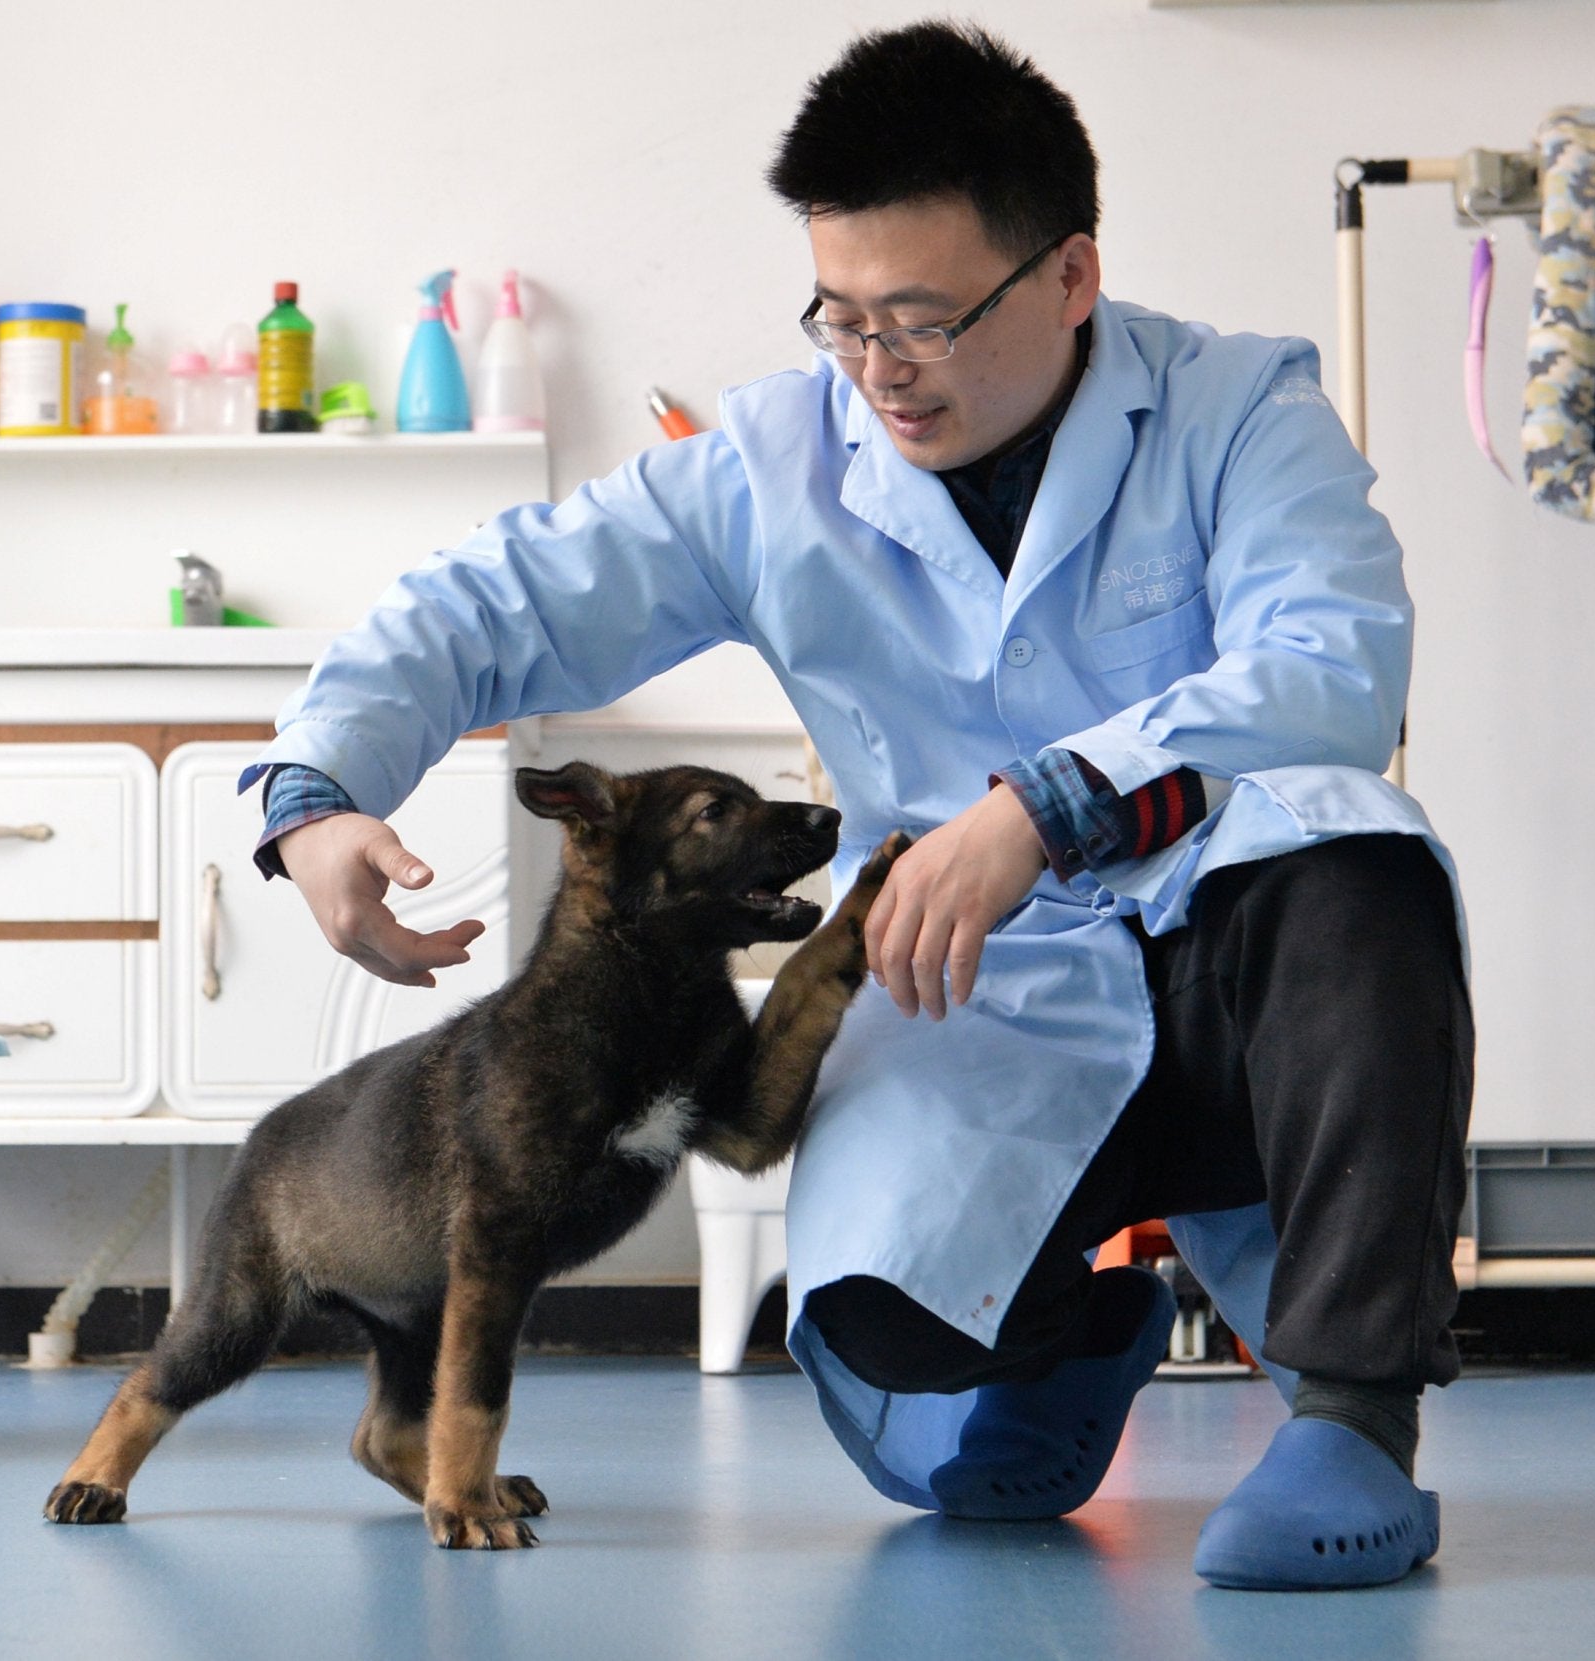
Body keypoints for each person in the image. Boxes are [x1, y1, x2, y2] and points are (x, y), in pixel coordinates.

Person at [241, 21, 1473, 1591]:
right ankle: (1071, 1338)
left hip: (1239, 974)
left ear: (1071, 277)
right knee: (898, 1380)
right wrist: (315, 788)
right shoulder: (772, 463)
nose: (879, 364)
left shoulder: (1238, 408)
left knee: (1359, 860)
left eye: (924, 317)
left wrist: (1050, 801)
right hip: (975, 992)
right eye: (841, 314)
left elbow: (1337, 667)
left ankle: (1357, 1422)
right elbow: (494, 603)